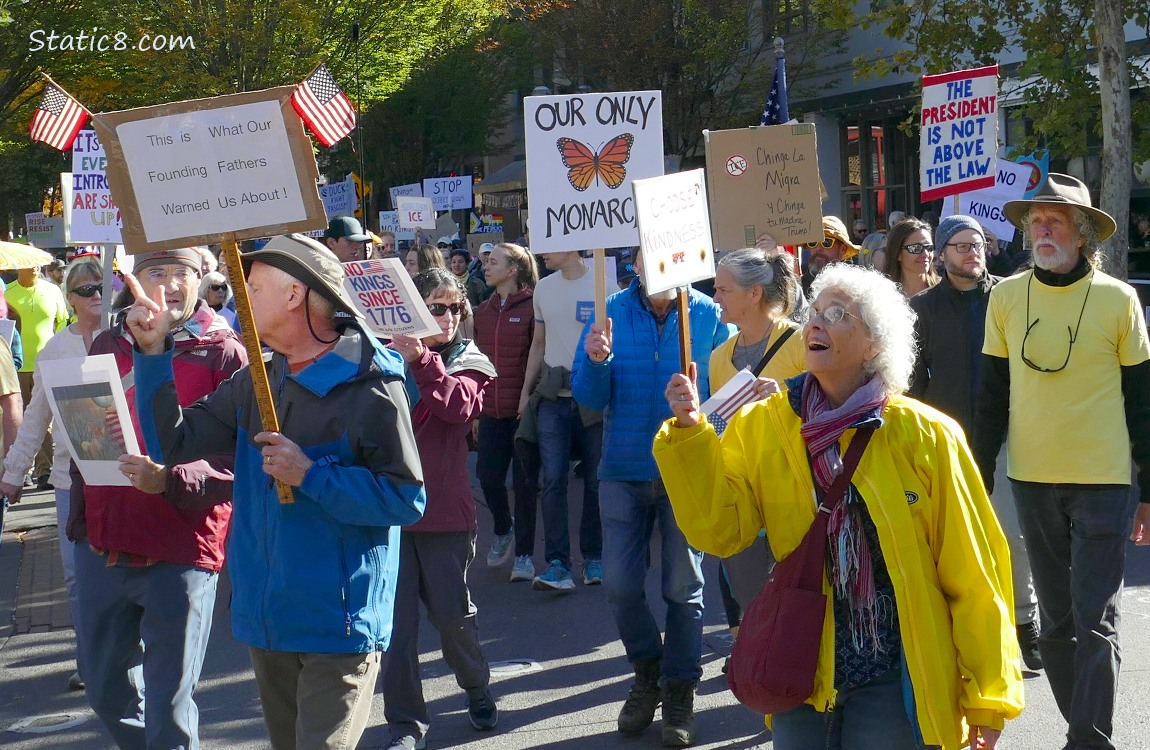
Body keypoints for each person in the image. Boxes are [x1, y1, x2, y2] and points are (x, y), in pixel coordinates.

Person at [655, 264, 1024, 750]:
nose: (816, 325)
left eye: (837, 314)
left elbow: (975, 574)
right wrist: (690, 436)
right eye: (815, 313)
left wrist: (988, 695)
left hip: (895, 673)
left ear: (875, 344)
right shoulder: (764, 424)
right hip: (799, 665)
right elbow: (721, 532)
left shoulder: (927, 435)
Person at [126, 234, 425, 750]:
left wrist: (311, 474)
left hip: (339, 623)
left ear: (294, 294)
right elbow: (173, 442)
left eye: (254, 285)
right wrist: (154, 351)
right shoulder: (258, 379)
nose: (239, 295)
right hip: (268, 619)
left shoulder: (370, 383)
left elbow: (404, 499)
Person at [973, 173, 1150, 750]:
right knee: (1054, 626)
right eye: (1036, 221)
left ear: (1082, 234)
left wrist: (1147, 489)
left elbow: (1142, 402)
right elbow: (990, 395)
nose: (1043, 230)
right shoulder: (1004, 296)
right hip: (1030, 478)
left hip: (1106, 482)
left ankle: (1088, 740)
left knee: (1094, 618)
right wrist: (976, 473)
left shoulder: (1118, 299)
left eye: (1057, 221)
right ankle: (1085, 732)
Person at [68, 247, 246, 749]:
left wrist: (168, 479)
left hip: (182, 547)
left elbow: (241, 464)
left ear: (201, 280)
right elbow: (90, 435)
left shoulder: (225, 352)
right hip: (105, 538)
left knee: (169, 703)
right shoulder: (107, 340)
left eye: (181, 274)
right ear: (133, 281)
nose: (168, 284)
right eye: (155, 273)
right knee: (104, 689)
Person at [572, 250, 731, 747]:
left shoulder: (709, 315)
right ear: (635, 263)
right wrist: (598, 362)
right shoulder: (608, 312)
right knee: (619, 583)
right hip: (623, 469)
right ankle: (648, 671)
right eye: (647, 254)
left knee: (683, 588)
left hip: (686, 471)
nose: (658, 263)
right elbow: (588, 397)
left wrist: (699, 416)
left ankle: (679, 690)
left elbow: (727, 402)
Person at [908, 215, 1042, 671]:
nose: (973, 252)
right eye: (962, 245)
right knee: (947, 537)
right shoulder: (921, 308)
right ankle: (956, 630)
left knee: (1011, 534)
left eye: (979, 244)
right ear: (942, 254)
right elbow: (911, 379)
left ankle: (1025, 624)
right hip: (944, 439)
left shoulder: (1010, 296)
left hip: (1006, 435)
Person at [382, 268, 499, 750]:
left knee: (453, 619)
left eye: (455, 307)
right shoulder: (380, 358)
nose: (448, 316)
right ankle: (406, 725)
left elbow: (457, 408)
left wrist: (423, 359)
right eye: (435, 306)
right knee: (396, 631)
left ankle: (476, 688)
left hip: (444, 515)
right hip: (387, 513)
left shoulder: (471, 360)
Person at [0, 259, 104, 691]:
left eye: (101, 285)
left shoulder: (131, 336)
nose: (95, 294)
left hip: (126, 478)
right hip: (69, 479)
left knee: (126, 575)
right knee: (78, 578)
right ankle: (90, 662)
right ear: (71, 299)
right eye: (84, 289)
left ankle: (125, 657)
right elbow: (35, 415)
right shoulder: (55, 351)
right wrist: (13, 471)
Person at [707, 247, 806, 639]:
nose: (715, 298)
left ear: (753, 294)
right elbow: (719, 428)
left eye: (723, 290)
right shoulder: (718, 358)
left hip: (796, 494)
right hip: (744, 494)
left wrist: (785, 394)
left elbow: (830, 407)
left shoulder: (802, 342)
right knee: (752, 602)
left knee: (801, 597)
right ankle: (765, 679)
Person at [519, 250, 604, 589]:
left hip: (593, 396)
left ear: (570, 246)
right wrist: (526, 393)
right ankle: (558, 563)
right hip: (553, 397)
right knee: (552, 479)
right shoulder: (544, 288)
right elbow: (537, 343)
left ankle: (594, 559)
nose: (542, 253)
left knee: (596, 481)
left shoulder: (605, 287)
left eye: (549, 245)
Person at [473, 243, 540, 570]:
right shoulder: (481, 313)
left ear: (512, 270)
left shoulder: (532, 308)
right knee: (487, 477)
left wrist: (528, 398)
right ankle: (503, 528)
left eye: (494, 261)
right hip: (489, 411)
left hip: (523, 413)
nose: (486, 265)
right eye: (486, 261)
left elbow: (535, 357)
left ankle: (525, 556)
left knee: (526, 485)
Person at [6, 264, 68, 488]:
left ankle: (44, 470)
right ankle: (20, 469)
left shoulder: (52, 290)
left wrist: (57, 350)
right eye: (28, 264)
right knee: (20, 418)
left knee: (46, 418)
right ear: (18, 268)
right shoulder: (8, 292)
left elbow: (63, 321)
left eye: (37, 264)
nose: (34, 268)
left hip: (48, 364)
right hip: (17, 366)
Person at [801, 216, 860, 295]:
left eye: (827, 242)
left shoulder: (855, 287)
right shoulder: (797, 289)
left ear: (843, 249)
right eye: (813, 243)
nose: (818, 248)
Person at [884, 216, 938, 298]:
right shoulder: (882, 294)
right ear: (898, 253)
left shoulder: (945, 292)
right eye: (916, 248)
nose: (925, 254)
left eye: (929, 248)